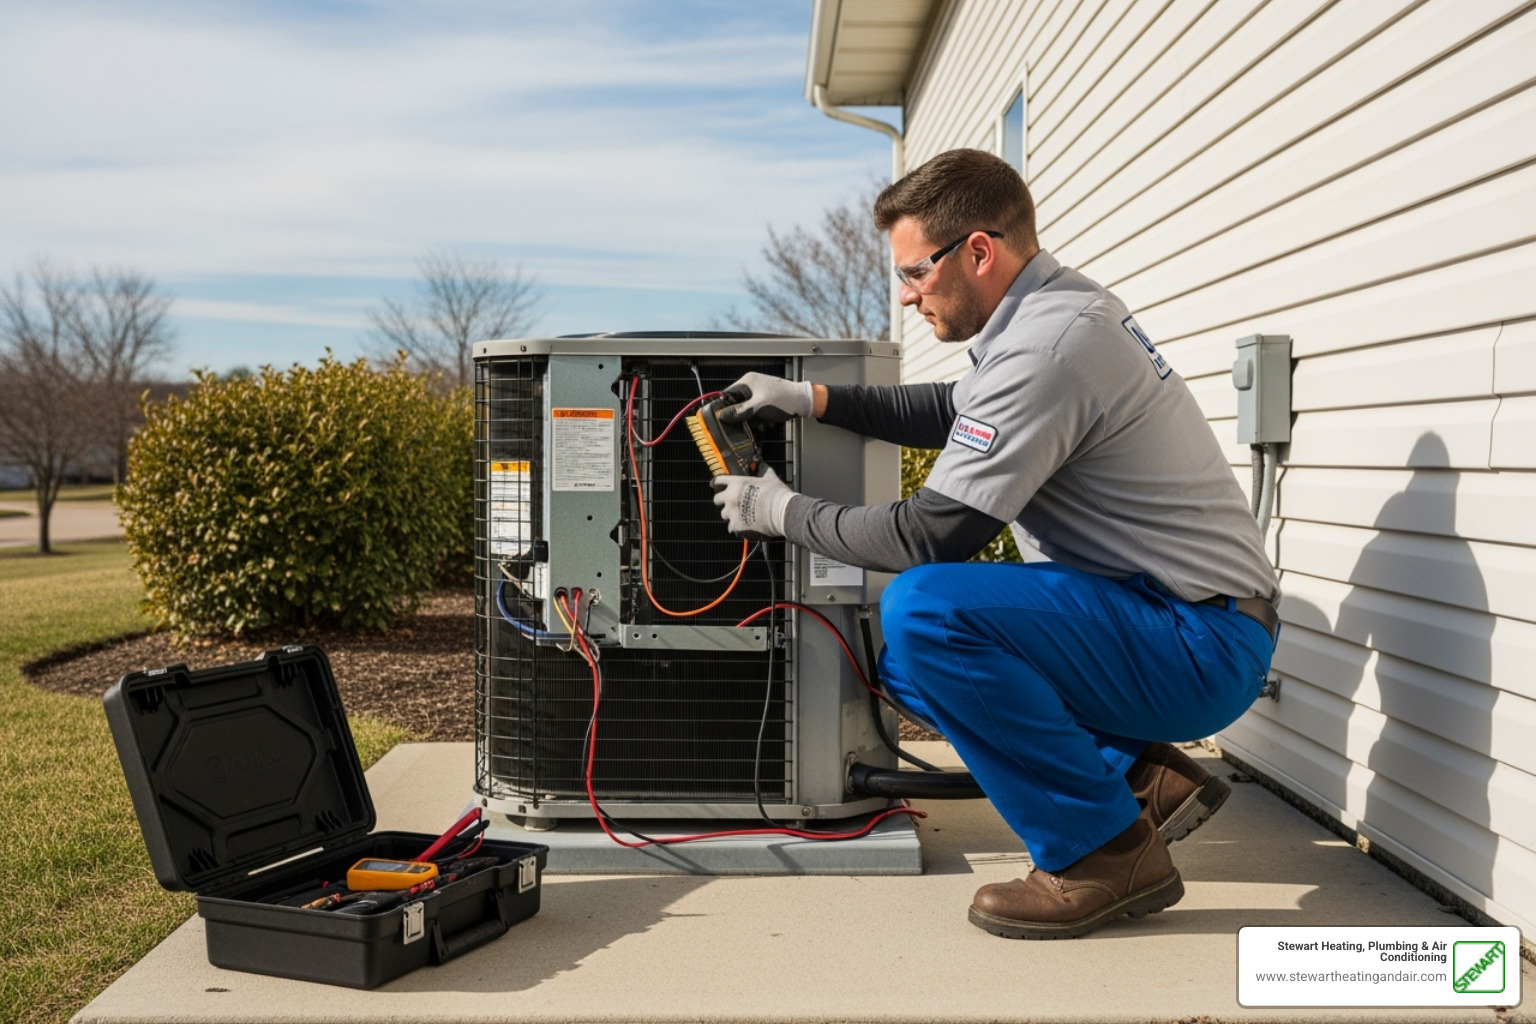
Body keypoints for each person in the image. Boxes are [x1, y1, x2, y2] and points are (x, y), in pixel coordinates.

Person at [711, 148, 1279, 940]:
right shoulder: (1052, 314)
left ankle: (1104, 854)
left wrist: (778, 509)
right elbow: (954, 405)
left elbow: (930, 534)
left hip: (1197, 643)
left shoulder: (1048, 347)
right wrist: (810, 399)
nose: (908, 296)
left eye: (914, 274)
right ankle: (1142, 780)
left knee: (925, 611)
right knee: (903, 657)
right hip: (1176, 618)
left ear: (978, 251)